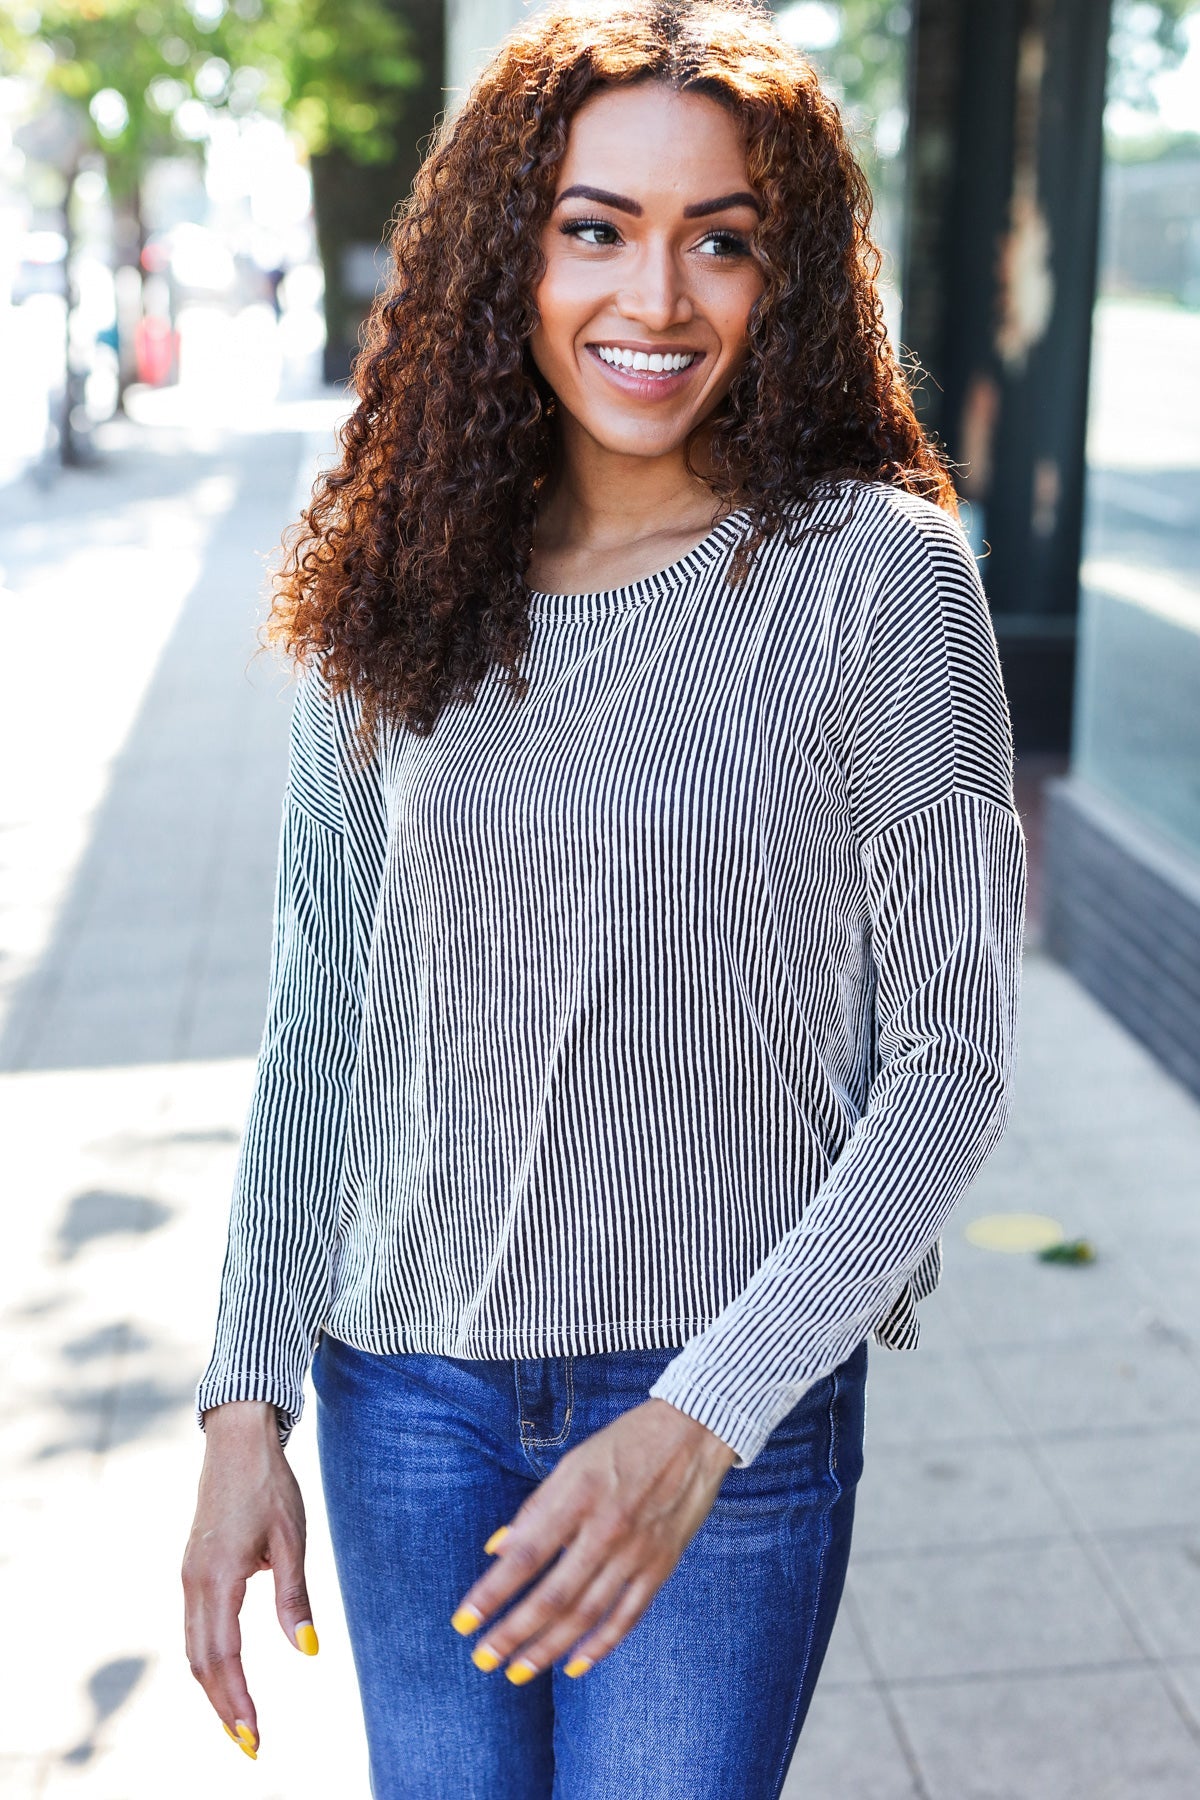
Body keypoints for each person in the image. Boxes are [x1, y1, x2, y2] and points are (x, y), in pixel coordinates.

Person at [182, 3, 1027, 1795]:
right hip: (403, 1397)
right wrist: (246, 1397)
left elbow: (950, 1065)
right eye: (596, 229)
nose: (657, 299)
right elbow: (325, 1007)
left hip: (717, 1409)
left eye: (721, 238)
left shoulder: (876, 578)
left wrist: (703, 1420)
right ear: (514, 250)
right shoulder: (405, 567)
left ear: (784, 276)